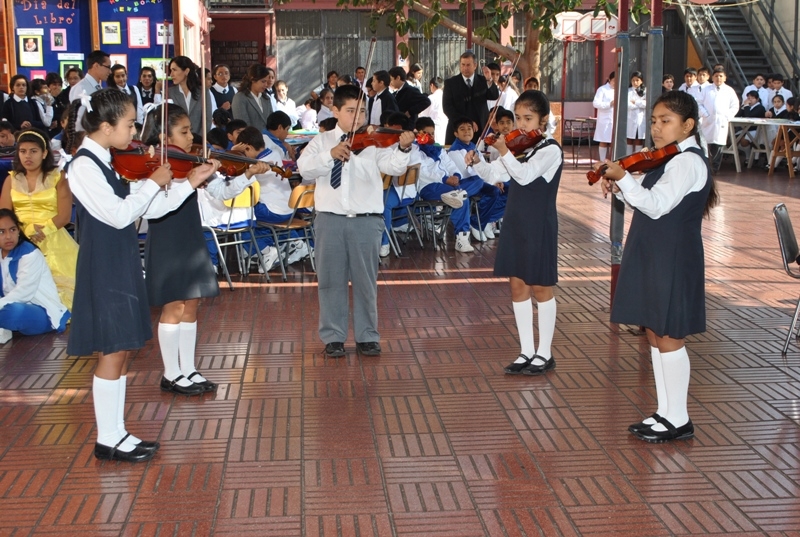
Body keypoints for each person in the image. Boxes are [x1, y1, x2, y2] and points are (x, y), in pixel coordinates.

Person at [66, 88, 220, 462]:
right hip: (104, 264)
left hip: (121, 260)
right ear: (106, 127)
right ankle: (108, 438)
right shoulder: (83, 166)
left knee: (121, 351)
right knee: (112, 350)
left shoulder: (109, 161)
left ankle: (116, 432)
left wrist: (189, 182)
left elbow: (149, 211)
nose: (135, 132)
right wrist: (153, 182)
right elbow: (119, 214)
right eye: (129, 124)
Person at [595, 90, 718, 443]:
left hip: (672, 254)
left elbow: (657, 205)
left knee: (669, 335)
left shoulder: (687, 161)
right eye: (653, 121)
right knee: (654, 330)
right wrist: (623, 186)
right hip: (655, 250)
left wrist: (623, 178)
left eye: (666, 121)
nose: (656, 128)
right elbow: (648, 198)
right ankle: (665, 412)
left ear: (688, 125)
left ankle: (678, 418)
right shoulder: (671, 158)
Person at [139, 104, 268, 396]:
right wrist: (187, 181)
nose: (190, 137)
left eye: (189, 131)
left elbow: (221, 193)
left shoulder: (190, 163)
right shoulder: (153, 168)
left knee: (192, 302)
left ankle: (189, 368)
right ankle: (171, 373)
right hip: (167, 236)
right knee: (173, 305)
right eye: (184, 132)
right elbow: (152, 207)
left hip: (190, 233)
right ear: (163, 137)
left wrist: (247, 175)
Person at [297, 84, 414, 358]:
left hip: (366, 220)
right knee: (330, 281)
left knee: (365, 281)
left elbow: (394, 167)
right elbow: (304, 169)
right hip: (329, 220)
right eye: (351, 111)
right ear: (335, 111)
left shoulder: (373, 141)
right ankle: (333, 337)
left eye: (362, 111)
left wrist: (403, 148)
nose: (358, 117)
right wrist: (330, 154)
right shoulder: (322, 141)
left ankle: (367, 336)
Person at [466, 90, 561, 377]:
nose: (521, 124)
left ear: (543, 119)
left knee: (541, 287)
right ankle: (526, 351)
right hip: (516, 221)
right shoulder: (520, 146)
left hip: (539, 223)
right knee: (517, 285)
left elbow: (524, 175)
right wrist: (477, 162)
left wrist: (505, 151)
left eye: (528, 118)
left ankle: (545, 352)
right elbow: (495, 174)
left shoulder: (550, 149)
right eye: (518, 118)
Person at [0, 128, 78, 309]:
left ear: (44, 153)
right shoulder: (11, 179)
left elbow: (65, 215)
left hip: (53, 237)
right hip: (19, 238)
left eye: (33, 151)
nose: (27, 156)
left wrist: (43, 230)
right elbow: (4, 215)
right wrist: (23, 232)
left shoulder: (58, 177)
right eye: (23, 151)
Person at [0, 208, 70, 345]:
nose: (8, 236)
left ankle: (4, 324)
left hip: (41, 312)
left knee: (14, 312)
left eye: (12, 230)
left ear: (19, 230)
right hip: (5, 305)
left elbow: (24, 293)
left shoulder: (29, 254)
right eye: (1, 232)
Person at [447, 117, 503, 244]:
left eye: (469, 128)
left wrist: (494, 180)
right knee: (481, 182)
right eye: (462, 129)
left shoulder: (474, 146)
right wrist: (486, 176)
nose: (467, 131)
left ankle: (481, 222)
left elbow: (484, 168)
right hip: (465, 184)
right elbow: (466, 172)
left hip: (478, 182)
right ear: (456, 133)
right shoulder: (454, 151)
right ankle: (479, 223)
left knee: (496, 190)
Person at [442, 51, 500, 145]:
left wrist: (489, 79)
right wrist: (467, 122)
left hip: (480, 130)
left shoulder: (483, 80)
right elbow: (447, 108)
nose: (465, 68)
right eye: (463, 65)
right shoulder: (451, 83)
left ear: (475, 65)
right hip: (457, 130)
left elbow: (494, 96)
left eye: (468, 65)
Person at [697, 67, 739, 173]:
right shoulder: (706, 89)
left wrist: (727, 117)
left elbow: (735, 106)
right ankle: (705, 166)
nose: (718, 78)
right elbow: (699, 103)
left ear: (725, 78)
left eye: (721, 76)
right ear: (712, 77)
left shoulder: (729, 91)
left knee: (718, 145)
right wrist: (705, 114)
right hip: (708, 120)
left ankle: (714, 168)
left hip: (721, 122)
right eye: (716, 76)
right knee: (706, 144)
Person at [167, 56, 216, 136]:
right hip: (178, 138)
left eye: (174, 70)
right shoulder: (169, 92)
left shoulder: (203, 91)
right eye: (171, 70)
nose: (171, 74)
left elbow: (207, 118)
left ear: (186, 71)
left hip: (199, 138)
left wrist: (199, 138)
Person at [231, 64, 275, 133]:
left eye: (267, 81)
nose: (266, 85)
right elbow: (243, 127)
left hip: (268, 138)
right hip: (250, 138)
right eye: (263, 81)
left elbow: (271, 121)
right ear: (253, 80)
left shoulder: (266, 98)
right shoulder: (240, 98)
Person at [592, 72, 615, 163]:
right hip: (605, 119)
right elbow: (596, 103)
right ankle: (602, 161)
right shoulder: (602, 89)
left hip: (615, 119)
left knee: (613, 141)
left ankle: (613, 161)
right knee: (603, 140)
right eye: (614, 81)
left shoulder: (619, 90)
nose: (615, 83)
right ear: (609, 79)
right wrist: (609, 104)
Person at [419, 77, 448, 145]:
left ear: (432, 85)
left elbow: (423, 114)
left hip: (432, 127)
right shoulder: (447, 97)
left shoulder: (431, 98)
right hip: (444, 125)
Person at [626, 71, 647, 154]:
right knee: (629, 139)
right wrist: (640, 104)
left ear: (641, 81)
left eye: (637, 80)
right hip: (630, 119)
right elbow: (628, 105)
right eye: (633, 80)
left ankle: (638, 158)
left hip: (641, 119)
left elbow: (646, 104)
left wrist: (635, 102)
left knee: (639, 139)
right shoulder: (628, 91)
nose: (635, 82)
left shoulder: (645, 91)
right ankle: (628, 157)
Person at [44, 73, 65, 137]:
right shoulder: (45, 100)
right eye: (54, 84)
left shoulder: (62, 99)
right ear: (48, 86)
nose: (57, 87)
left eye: (59, 85)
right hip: (50, 134)